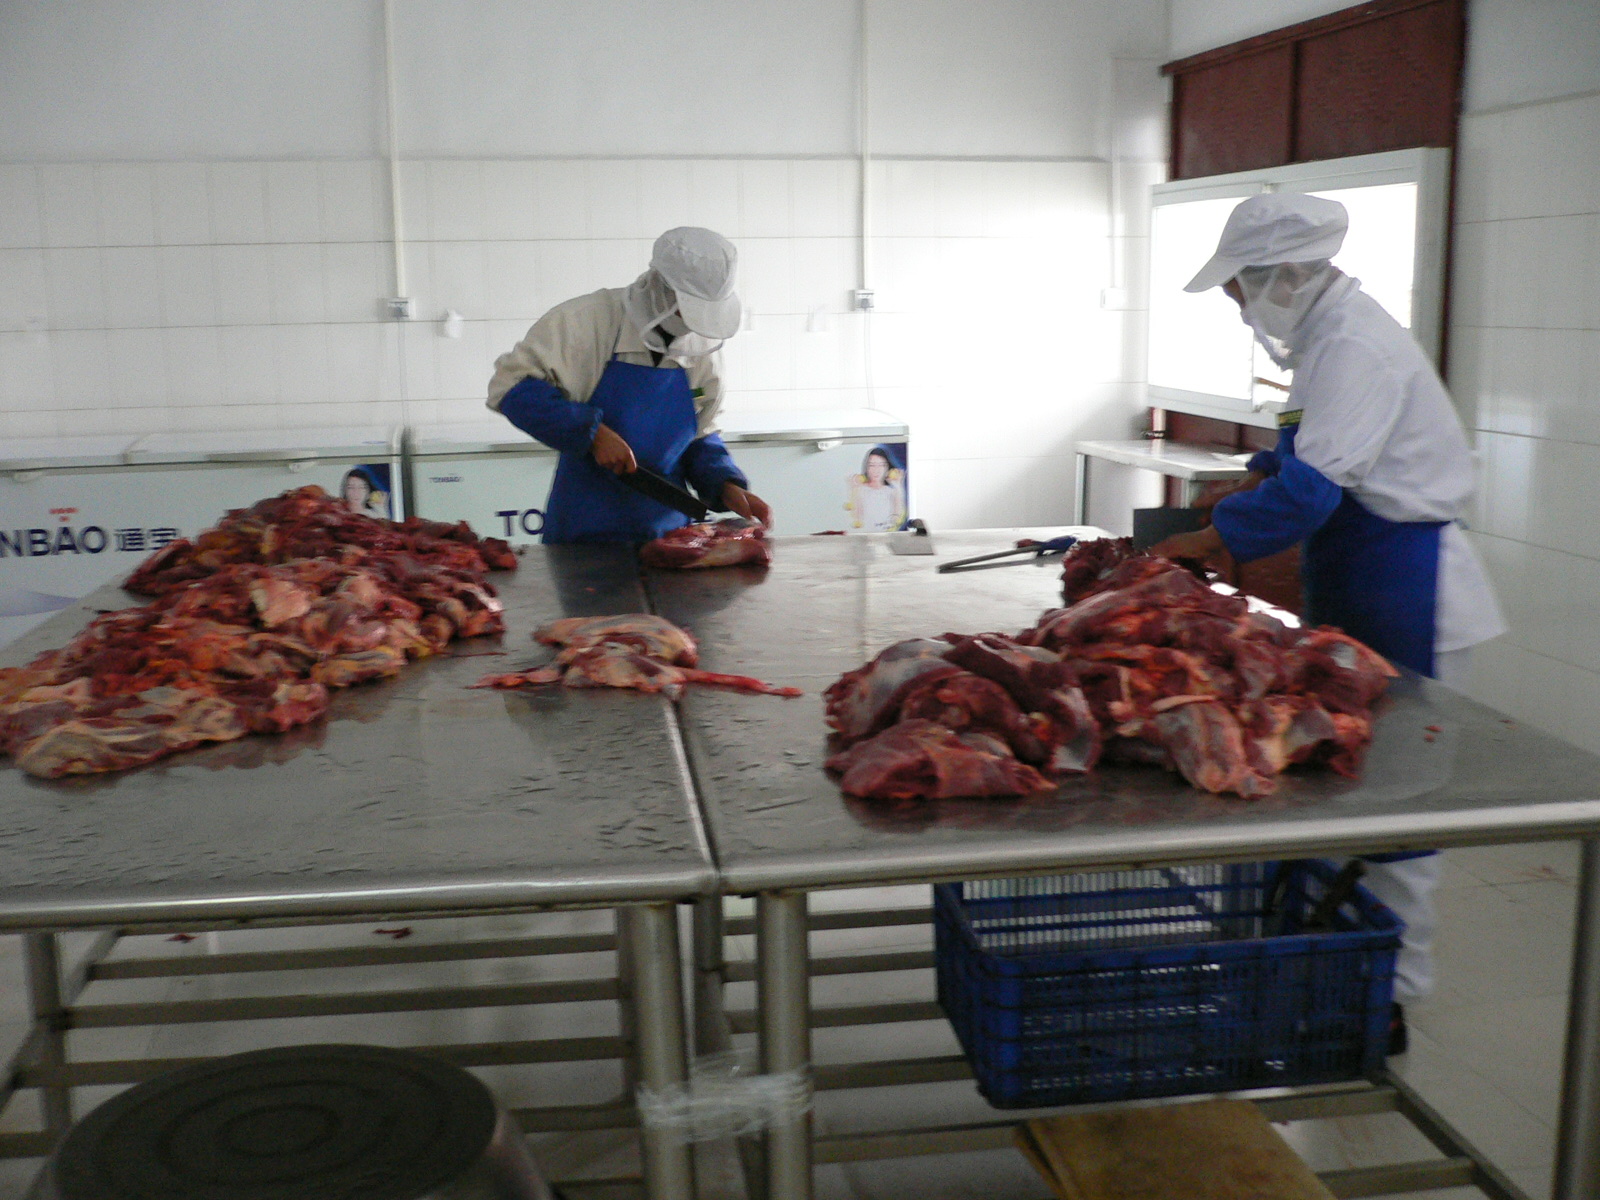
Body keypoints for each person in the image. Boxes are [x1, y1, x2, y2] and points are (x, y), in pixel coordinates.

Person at [1149, 193, 1507, 1045]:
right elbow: (1305, 456)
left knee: (1400, 805)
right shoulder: (1325, 338)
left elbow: (1311, 492)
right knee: (1343, 778)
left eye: (1239, 287)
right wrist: (1252, 479)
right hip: (1360, 577)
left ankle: (1392, 1000)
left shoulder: (1353, 344)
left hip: (1408, 584)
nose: (1236, 304)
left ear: (1283, 276)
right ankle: (1325, 967)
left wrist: (1208, 536)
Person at [486, 227, 770, 543]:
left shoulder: (702, 349)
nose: (693, 324)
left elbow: (699, 435)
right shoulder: (586, 321)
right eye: (689, 308)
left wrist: (725, 483)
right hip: (583, 534)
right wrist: (592, 433)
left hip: (672, 538)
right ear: (660, 287)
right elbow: (510, 389)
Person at [847, 446, 907, 532]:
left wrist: (898, 486)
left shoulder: (891, 491)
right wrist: (853, 489)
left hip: (886, 535)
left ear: (887, 468)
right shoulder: (861, 490)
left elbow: (897, 518)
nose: (876, 470)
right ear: (866, 467)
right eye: (872, 465)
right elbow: (857, 519)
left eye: (881, 465)